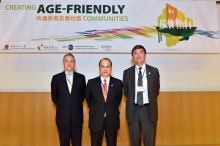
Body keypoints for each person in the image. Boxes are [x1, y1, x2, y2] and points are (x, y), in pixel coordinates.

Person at [123, 45, 160, 146]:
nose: (138, 55)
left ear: (145, 55)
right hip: (133, 110)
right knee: (134, 141)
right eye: (135, 53)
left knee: (149, 141)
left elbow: (156, 90)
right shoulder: (127, 73)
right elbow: (126, 92)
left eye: (141, 52)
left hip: (148, 110)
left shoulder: (154, 71)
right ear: (133, 56)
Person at [86, 58, 123, 146]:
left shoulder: (118, 83)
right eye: (103, 67)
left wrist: (108, 109)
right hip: (96, 119)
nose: (105, 69)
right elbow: (89, 100)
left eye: (108, 67)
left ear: (111, 68)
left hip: (112, 119)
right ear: (99, 68)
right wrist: (99, 109)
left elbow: (118, 99)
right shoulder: (91, 83)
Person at [51, 53, 86, 146]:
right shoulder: (56, 78)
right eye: (67, 61)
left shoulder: (81, 78)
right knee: (64, 143)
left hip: (76, 117)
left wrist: (74, 104)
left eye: (71, 61)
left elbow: (82, 96)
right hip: (63, 118)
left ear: (74, 63)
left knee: (77, 143)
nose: (69, 63)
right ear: (63, 63)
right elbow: (54, 97)